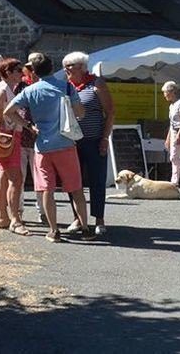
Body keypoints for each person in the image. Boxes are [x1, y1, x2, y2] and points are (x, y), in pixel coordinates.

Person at [5, 52, 90, 243]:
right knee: (76, 188)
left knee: (47, 189)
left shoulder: (30, 91)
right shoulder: (66, 87)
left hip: (42, 146)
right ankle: (85, 227)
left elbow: (8, 111)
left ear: (33, 71)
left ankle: (54, 230)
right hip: (66, 143)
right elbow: (80, 112)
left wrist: (28, 125)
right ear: (52, 68)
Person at [64, 51, 114, 237]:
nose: (66, 69)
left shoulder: (96, 83)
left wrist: (105, 137)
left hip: (94, 141)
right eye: (66, 65)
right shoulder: (66, 86)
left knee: (97, 180)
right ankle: (78, 218)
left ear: (82, 67)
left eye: (70, 65)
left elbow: (110, 112)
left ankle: (99, 219)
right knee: (73, 181)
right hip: (71, 142)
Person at [0, 57, 28, 233]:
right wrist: (2, 123)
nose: (22, 73)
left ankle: (3, 217)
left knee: (3, 177)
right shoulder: (4, 87)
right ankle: (15, 219)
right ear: (8, 73)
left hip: (8, 134)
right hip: (8, 135)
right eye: (18, 70)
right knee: (15, 178)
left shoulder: (3, 87)